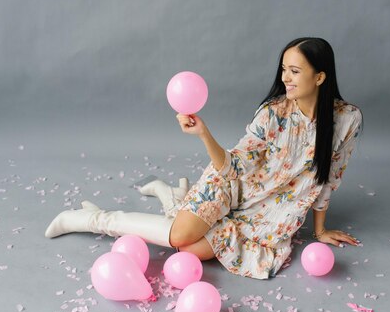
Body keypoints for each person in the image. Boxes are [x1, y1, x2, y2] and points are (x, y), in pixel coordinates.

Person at [45, 37, 364, 280]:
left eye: (294, 71)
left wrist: (320, 230)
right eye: (283, 70)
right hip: (230, 184)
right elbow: (234, 166)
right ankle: (91, 218)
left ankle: (174, 199)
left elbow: (328, 177)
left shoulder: (347, 119)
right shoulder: (272, 114)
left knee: (189, 249)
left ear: (320, 77)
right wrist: (203, 134)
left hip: (268, 214)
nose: (285, 78)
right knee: (181, 235)